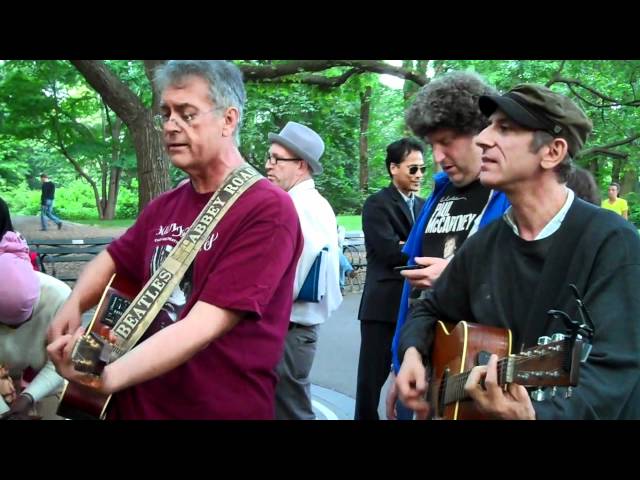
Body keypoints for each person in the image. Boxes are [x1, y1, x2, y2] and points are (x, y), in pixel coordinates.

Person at [47, 60, 304, 420]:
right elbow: (114, 261)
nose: (171, 126)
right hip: (133, 405)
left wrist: (107, 377)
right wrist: (73, 303)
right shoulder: (164, 206)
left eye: (187, 114)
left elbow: (204, 324)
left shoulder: (267, 210)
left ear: (228, 120)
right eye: (166, 113)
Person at [397, 83, 640, 419]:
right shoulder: (484, 245)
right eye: (488, 125)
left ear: (552, 152)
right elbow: (428, 310)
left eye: (505, 128)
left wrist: (536, 417)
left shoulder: (612, 242)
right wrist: (411, 353)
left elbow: (614, 374)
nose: (483, 138)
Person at [386, 72, 510, 420]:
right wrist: (400, 362)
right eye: (431, 144)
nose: (438, 156)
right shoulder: (438, 193)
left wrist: (454, 278)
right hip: (421, 370)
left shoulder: (508, 196)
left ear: (481, 132)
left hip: (476, 381)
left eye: (448, 141)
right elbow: (410, 293)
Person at [266, 121, 342, 420]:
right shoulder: (309, 203)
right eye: (269, 157)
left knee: (291, 412)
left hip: (289, 331)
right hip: (293, 331)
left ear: (300, 166)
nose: (268, 165)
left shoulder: (299, 207)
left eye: (276, 159)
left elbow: (292, 281)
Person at [354, 137, 426, 420]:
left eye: (422, 169)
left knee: (413, 379)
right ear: (393, 168)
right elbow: (386, 251)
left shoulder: (425, 205)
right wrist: (415, 247)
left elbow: (403, 248)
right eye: (413, 169)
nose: (419, 175)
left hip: (414, 307)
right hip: (382, 307)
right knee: (370, 383)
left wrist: (404, 245)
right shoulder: (376, 204)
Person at [0, 198, 70, 420]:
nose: (13, 329)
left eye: (21, 321)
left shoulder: (58, 296)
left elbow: (64, 363)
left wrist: (28, 397)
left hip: (45, 374)